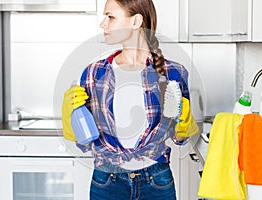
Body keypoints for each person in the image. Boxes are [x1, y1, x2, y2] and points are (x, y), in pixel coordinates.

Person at [62, 0, 198, 199]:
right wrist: (70, 118)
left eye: (110, 17)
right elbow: (83, 142)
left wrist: (184, 125)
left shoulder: (173, 73)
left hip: (157, 181)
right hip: (107, 181)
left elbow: (180, 139)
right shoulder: (94, 73)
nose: (103, 24)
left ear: (135, 21)